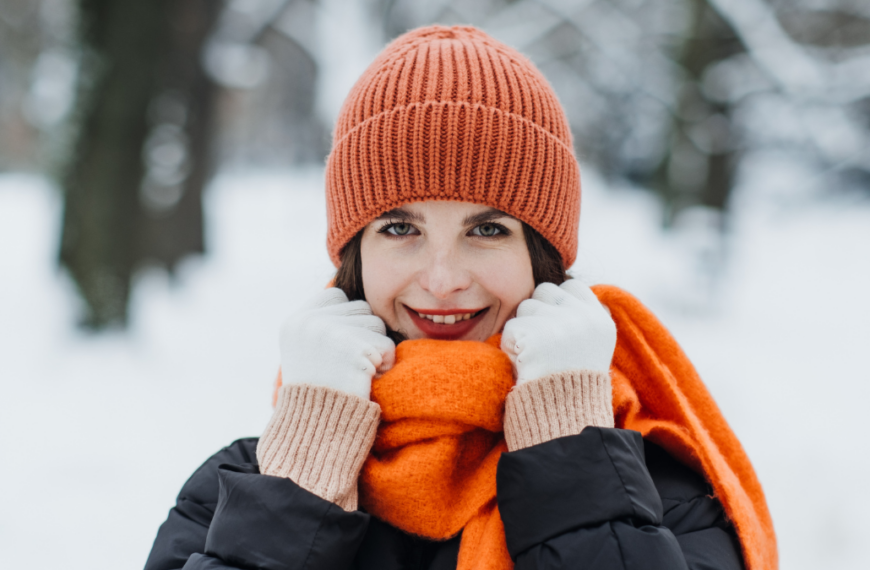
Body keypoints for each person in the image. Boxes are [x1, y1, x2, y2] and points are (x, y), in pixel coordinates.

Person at [144, 25, 776, 570]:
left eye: (487, 229)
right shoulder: (238, 493)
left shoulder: (660, 493)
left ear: (542, 256)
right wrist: (302, 477)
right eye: (400, 228)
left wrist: (569, 451)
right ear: (354, 254)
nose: (442, 278)